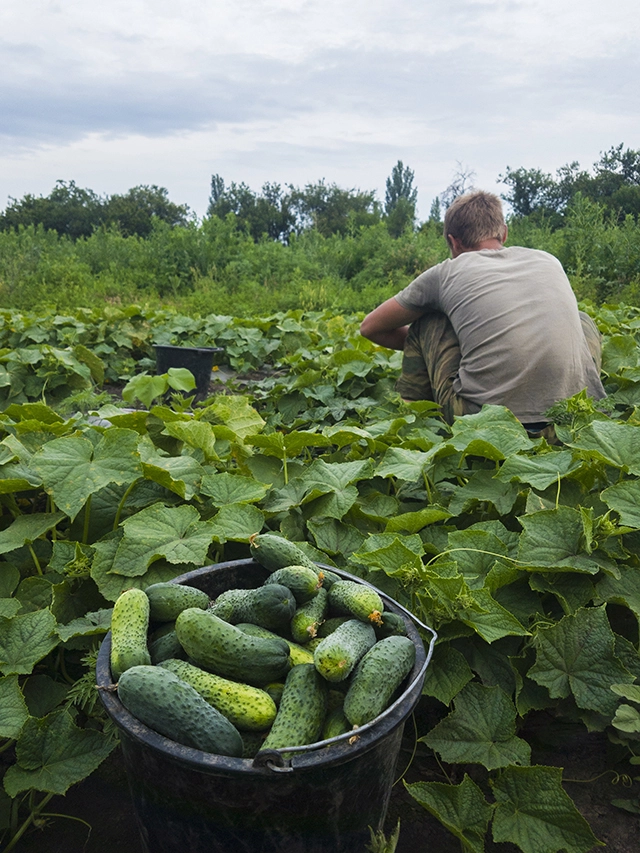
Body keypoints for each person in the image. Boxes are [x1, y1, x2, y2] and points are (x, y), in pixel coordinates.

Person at [360, 190, 606, 435]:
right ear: (504, 232)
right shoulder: (548, 260)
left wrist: (429, 348)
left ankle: (414, 415)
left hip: (487, 427)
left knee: (428, 321)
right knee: (583, 321)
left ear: (453, 241)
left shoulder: (445, 273)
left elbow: (370, 327)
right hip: (571, 422)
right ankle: (583, 398)